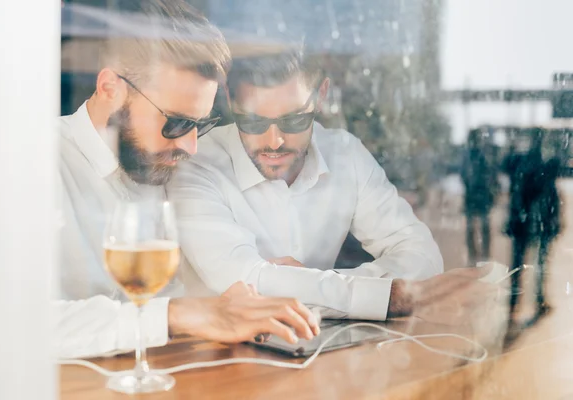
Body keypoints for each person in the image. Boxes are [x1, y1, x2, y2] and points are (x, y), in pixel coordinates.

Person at [55, 0, 320, 359]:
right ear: (109, 88)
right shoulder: (29, 165)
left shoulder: (166, 167)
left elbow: (199, 289)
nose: (190, 146)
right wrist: (177, 314)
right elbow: (14, 321)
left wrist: (244, 287)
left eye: (201, 124)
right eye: (177, 123)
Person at [172, 50, 448, 320]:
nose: (274, 141)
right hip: (219, 356)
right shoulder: (197, 163)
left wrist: (324, 283)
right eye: (253, 121)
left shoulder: (345, 154)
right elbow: (244, 284)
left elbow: (424, 257)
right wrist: (384, 294)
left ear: (321, 95)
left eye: (294, 120)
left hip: (325, 345)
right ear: (231, 100)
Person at [502, 129, 561, 322]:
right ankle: (536, 299)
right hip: (538, 221)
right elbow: (550, 196)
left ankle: (514, 302)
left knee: (520, 262)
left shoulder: (521, 163)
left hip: (524, 221)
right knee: (539, 262)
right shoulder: (546, 165)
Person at [460, 128, 499, 266]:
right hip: (476, 196)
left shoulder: (477, 157)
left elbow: (488, 175)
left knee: (480, 226)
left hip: (478, 195)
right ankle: (477, 255)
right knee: (476, 227)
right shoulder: (475, 156)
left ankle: (482, 255)